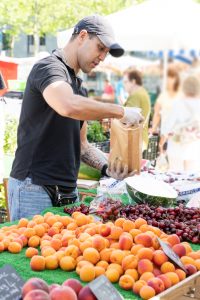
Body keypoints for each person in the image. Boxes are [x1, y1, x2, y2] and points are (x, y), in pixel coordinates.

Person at [8, 14, 144, 221]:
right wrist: (121, 111)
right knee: (31, 252)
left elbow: (83, 146)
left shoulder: (79, 88)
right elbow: (66, 105)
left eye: (106, 53)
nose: (102, 58)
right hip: (34, 188)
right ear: (82, 36)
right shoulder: (48, 68)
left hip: (69, 191)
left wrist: (108, 168)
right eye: (100, 48)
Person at [162, 75, 200, 172]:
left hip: (177, 145)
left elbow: (167, 126)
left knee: (175, 177)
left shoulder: (177, 103)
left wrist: (163, 139)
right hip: (194, 146)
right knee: (191, 180)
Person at [151, 68, 181, 152]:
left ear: (176, 79)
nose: (168, 80)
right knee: (164, 156)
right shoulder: (163, 96)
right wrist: (153, 128)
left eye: (171, 77)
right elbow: (157, 113)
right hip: (165, 133)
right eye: (166, 78)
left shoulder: (181, 95)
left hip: (179, 133)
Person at [123, 69, 151, 150]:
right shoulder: (143, 92)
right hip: (140, 138)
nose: (124, 85)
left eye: (125, 82)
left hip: (134, 140)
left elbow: (128, 119)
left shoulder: (136, 95)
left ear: (133, 82)